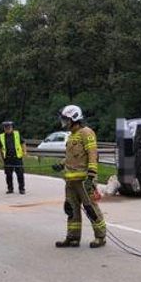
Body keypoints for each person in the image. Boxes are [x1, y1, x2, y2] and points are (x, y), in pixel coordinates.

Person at [52, 104, 106, 248]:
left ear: (74, 118)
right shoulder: (71, 136)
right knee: (71, 210)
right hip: (70, 181)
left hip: (84, 181)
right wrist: (62, 163)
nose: (64, 122)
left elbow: (92, 155)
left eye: (66, 119)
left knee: (91, 209)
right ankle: (73, 238)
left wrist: (91, 176)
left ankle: (100, 237)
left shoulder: (86, 133)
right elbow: (72, 157)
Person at [0, 120, 25, 195]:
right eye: (6, 127)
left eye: (9, 127)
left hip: (17, 158)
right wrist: (0, 158)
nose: (7, 129)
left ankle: (21, 189)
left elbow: (23, 143)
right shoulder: (1, 136)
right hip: (7, 158)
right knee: (8, 175)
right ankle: (10, 188)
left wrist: (24, 153)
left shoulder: (17, 134)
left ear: (12, 127)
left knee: (20, 174)